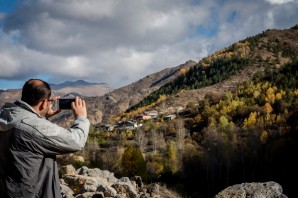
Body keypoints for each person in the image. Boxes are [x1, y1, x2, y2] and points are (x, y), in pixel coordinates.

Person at [0, 79, 90, 197]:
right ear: (43, 103)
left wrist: (41, 117)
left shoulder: (6, 115)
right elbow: (76, 141)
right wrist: (81, 118)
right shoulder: (35, 127)